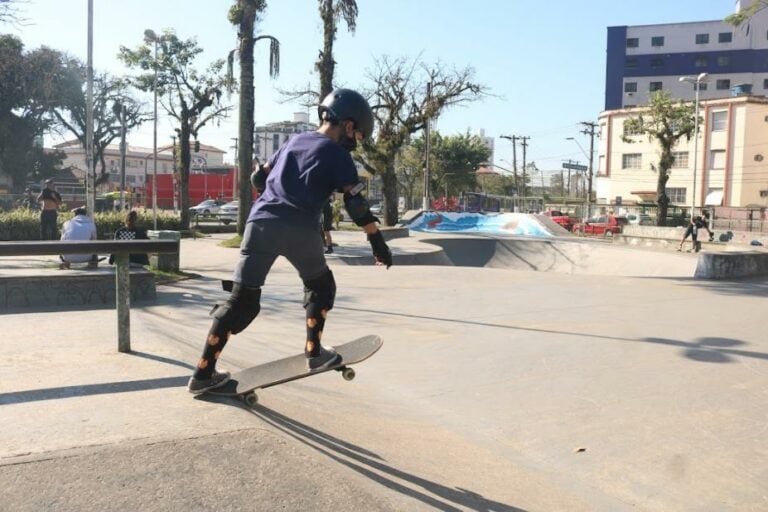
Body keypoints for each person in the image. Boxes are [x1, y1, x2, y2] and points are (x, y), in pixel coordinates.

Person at [187, 88, 393, 394]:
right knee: (321, 287)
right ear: (348, 125)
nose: (356, 141)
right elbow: (355, 203)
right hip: (299, 229)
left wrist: (267, 178)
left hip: (258, 225)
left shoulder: (293, 141)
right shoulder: (338, 154)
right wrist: (377, 241)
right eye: (358, 134)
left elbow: (260, 178)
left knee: (241, 301)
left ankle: (202, 375)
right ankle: (314, 353)